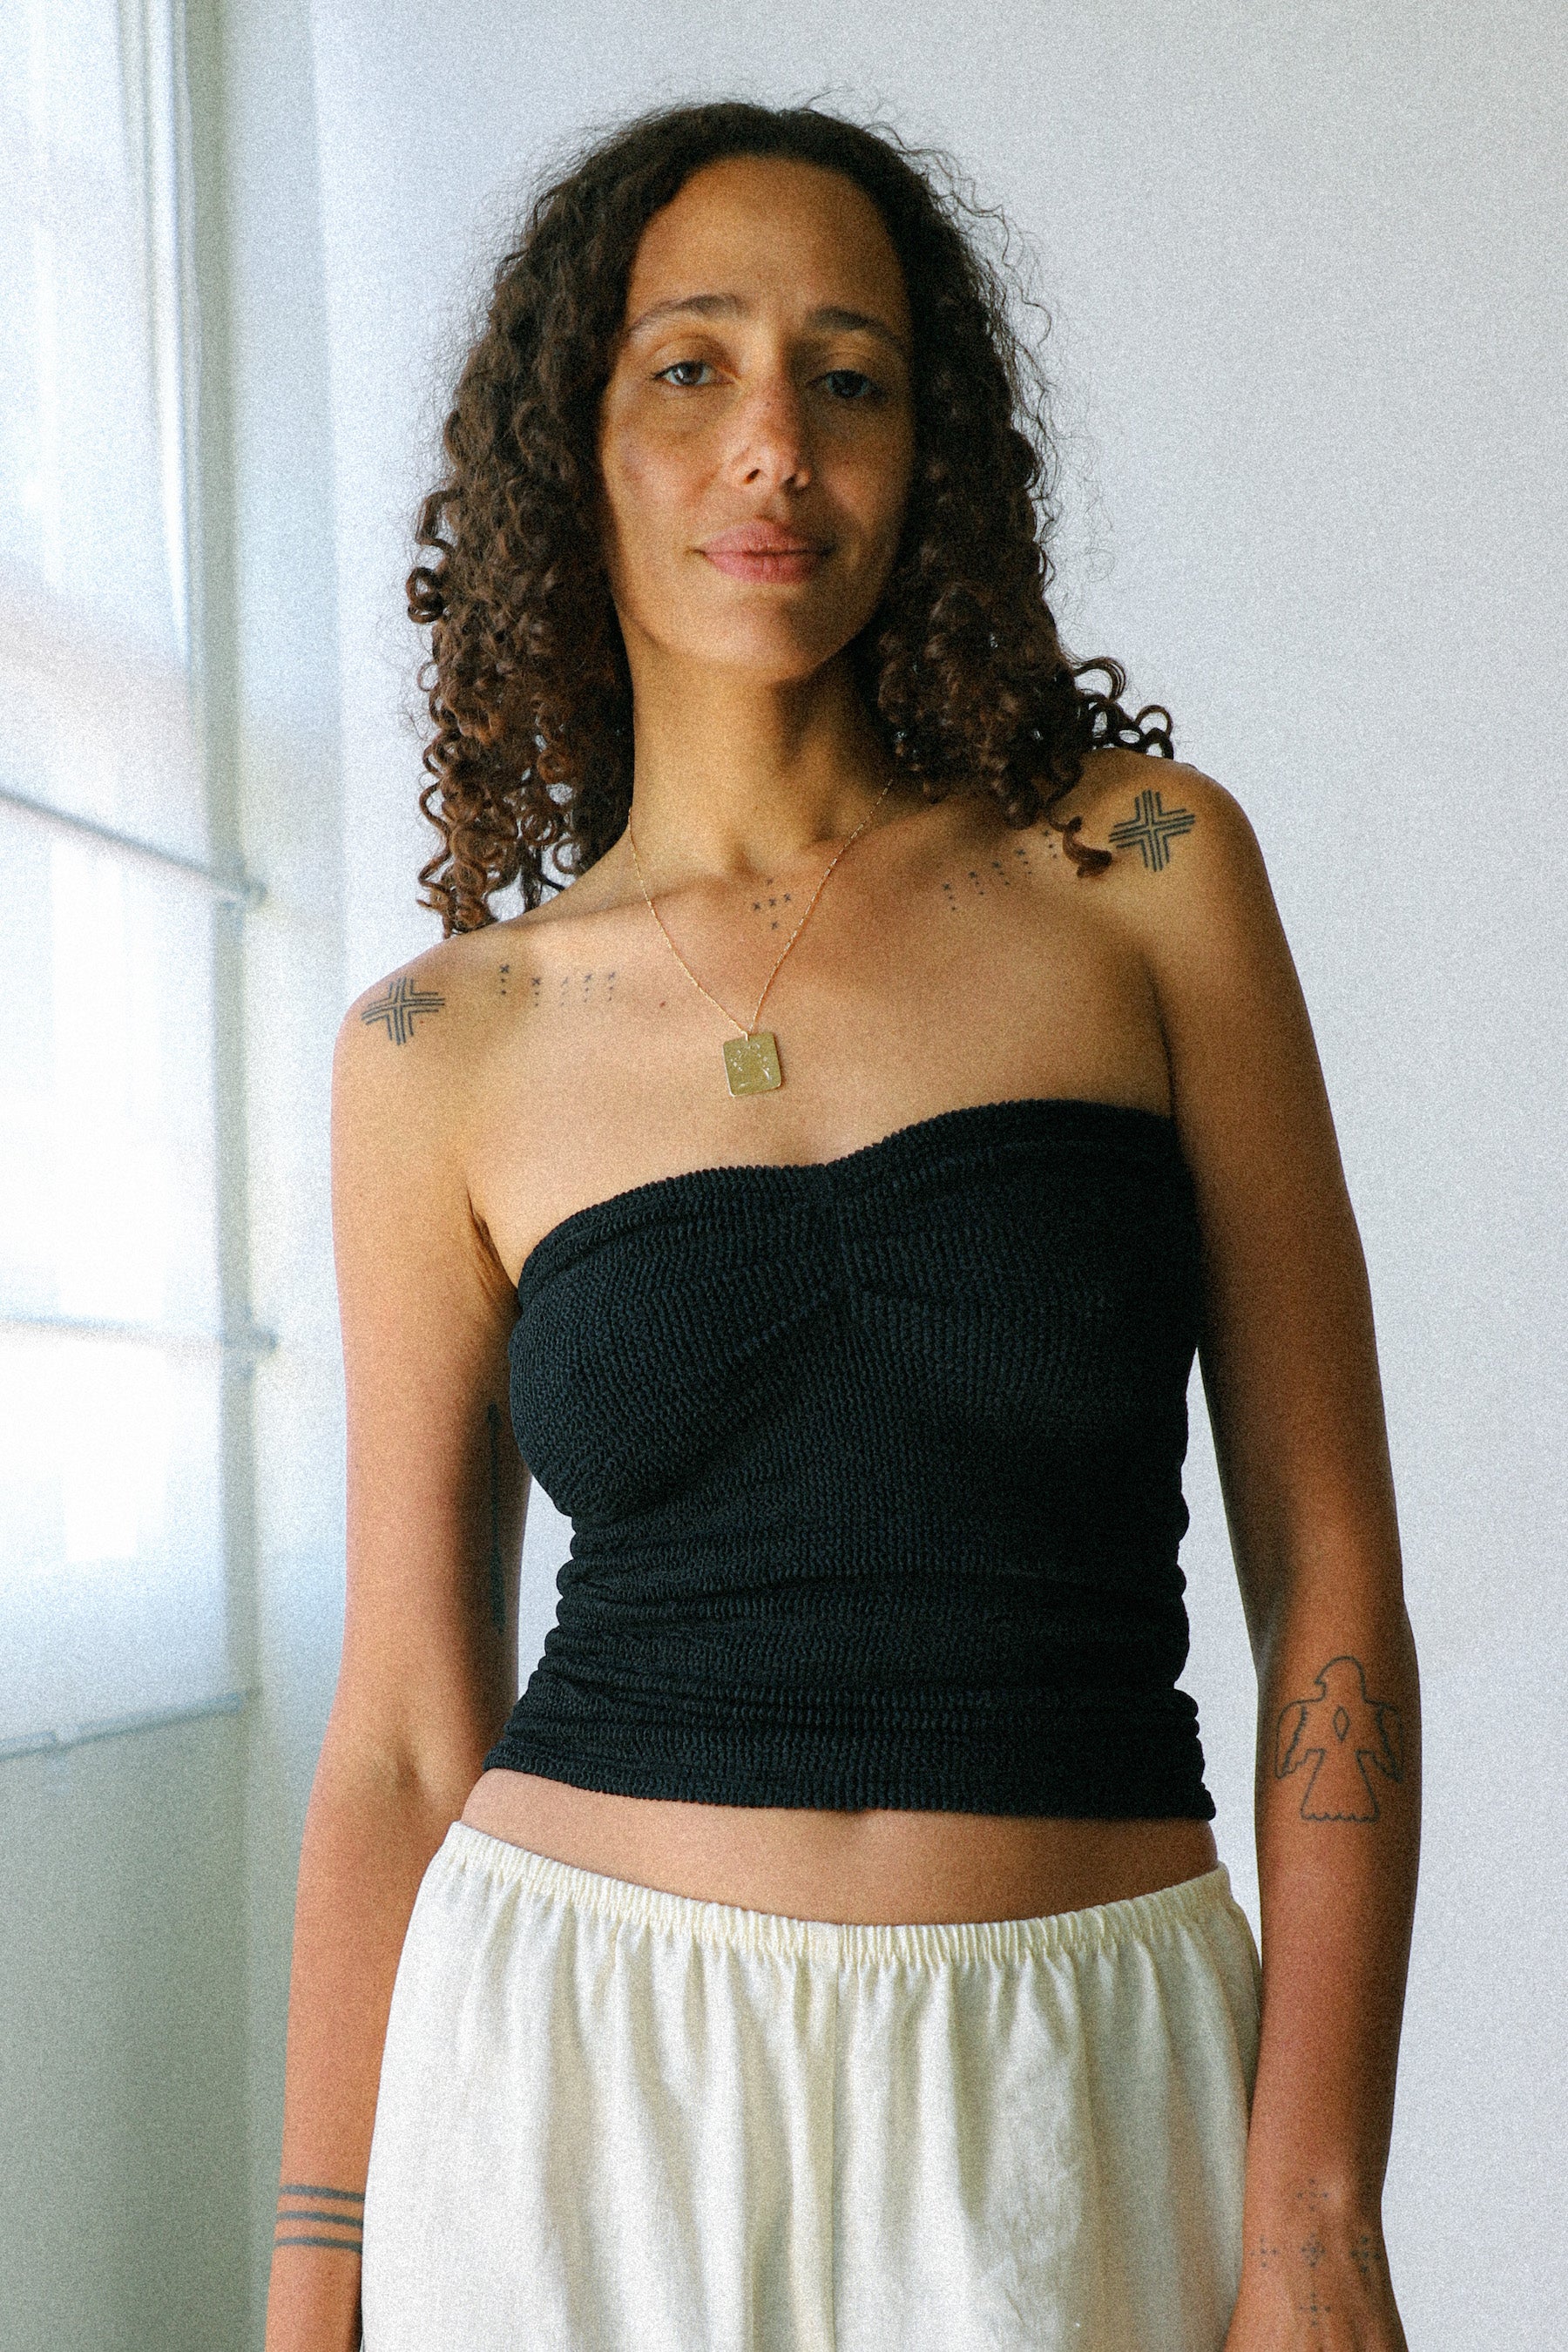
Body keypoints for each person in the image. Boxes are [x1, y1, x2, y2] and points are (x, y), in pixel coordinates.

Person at [264, 98, 1420, 2352]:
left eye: (850, 377)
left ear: (932, 454)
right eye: (690, 366)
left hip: (1075, 2082)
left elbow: (1329, 1568)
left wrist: (1313, 2210)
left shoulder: (1143, 875)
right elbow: (405, 1722)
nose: (774, 445)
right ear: (573, 448)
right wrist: (314, 2291)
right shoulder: (436, 1045)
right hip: (570, 2086)